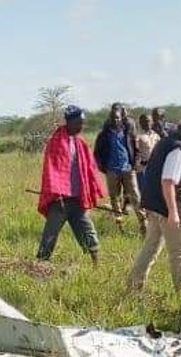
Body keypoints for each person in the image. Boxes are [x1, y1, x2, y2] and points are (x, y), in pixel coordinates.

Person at [127, 117, 181, 294]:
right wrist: (173, 212)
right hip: (167, 209)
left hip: (155, 206)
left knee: (150, 247)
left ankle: (133, 286)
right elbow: (168, 181)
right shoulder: (178, 149)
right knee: (180, 253)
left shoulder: (165, 142)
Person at [36, 105, 105, 263]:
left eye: (83, 122)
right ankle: (40, 266)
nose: (82, 126)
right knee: (50, 234)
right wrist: (57, 194)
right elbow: (52, 169)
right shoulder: (56, 142)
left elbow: (89, 169)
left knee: (88, 230)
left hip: (77, 198)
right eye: (79, 122)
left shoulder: (80, 143)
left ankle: (97, 266)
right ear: (70, 122)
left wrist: (88, 192)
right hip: (59, 200)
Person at [93, 103, 144, 232]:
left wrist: (135, 165)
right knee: (115, 198)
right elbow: (97, 153)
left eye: (118, 118)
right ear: (109, 118)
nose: (116, 120)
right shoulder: (104, 134)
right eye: (113, 118)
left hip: (127, 169)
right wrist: (102, 167)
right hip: (111, 170)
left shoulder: (128, 131)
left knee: (135, 196)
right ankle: (119, 226)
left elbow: (136, 150)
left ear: (122, 118)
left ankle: (144, 224)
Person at [134, 114, 161, 193]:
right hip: (142, 167)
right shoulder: (137, 136)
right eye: (145, 121)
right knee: (143, 190)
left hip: (154, 167)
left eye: (149, 121)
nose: (147, 123)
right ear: (140, 122)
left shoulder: (156, 136)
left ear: (152, 122)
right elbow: (135, 151)